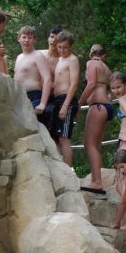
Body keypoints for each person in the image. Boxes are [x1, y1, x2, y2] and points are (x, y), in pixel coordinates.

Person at [78, 45, 113, 193]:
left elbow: (91, 84)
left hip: (97, 106)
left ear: (91, 54)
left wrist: (78, 103)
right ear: (103, 55)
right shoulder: (107, 68)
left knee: (89, 144)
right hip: (107, 106)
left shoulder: (92, 63)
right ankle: (96, 180)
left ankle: (97, 182)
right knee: (96, 145)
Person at [49, 31, 80, 165]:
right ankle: (60, 168)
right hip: (57, 100)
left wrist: (66, 105)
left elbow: (74, 83)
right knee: (55, 137)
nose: (62, 50)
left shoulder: (72, 59)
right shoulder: (60, 60)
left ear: (71, 47)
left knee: (64, 137)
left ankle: (68, 173)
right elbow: (58, 82)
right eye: (59, 47)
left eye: (65, 47)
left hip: (66, 100)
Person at [13, 26, 52, 126]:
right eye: (24, 37)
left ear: (34, 40)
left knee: (35, 130)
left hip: (34, 98)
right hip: (20, 97)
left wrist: (43, 103)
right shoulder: (19, 57)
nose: (26, 40)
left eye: (30, 38)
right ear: (19, 39)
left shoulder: (37, 56)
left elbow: (47, 79)